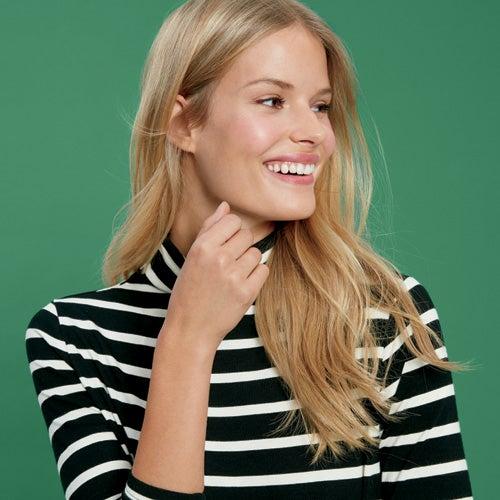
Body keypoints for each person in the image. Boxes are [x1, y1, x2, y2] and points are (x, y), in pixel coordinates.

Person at [24, 0, 474, 498]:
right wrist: (188, 339)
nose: (314, 134)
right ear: (184, 124)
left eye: (320, 106)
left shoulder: (388, 313)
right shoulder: (73, 339)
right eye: (272, 100)